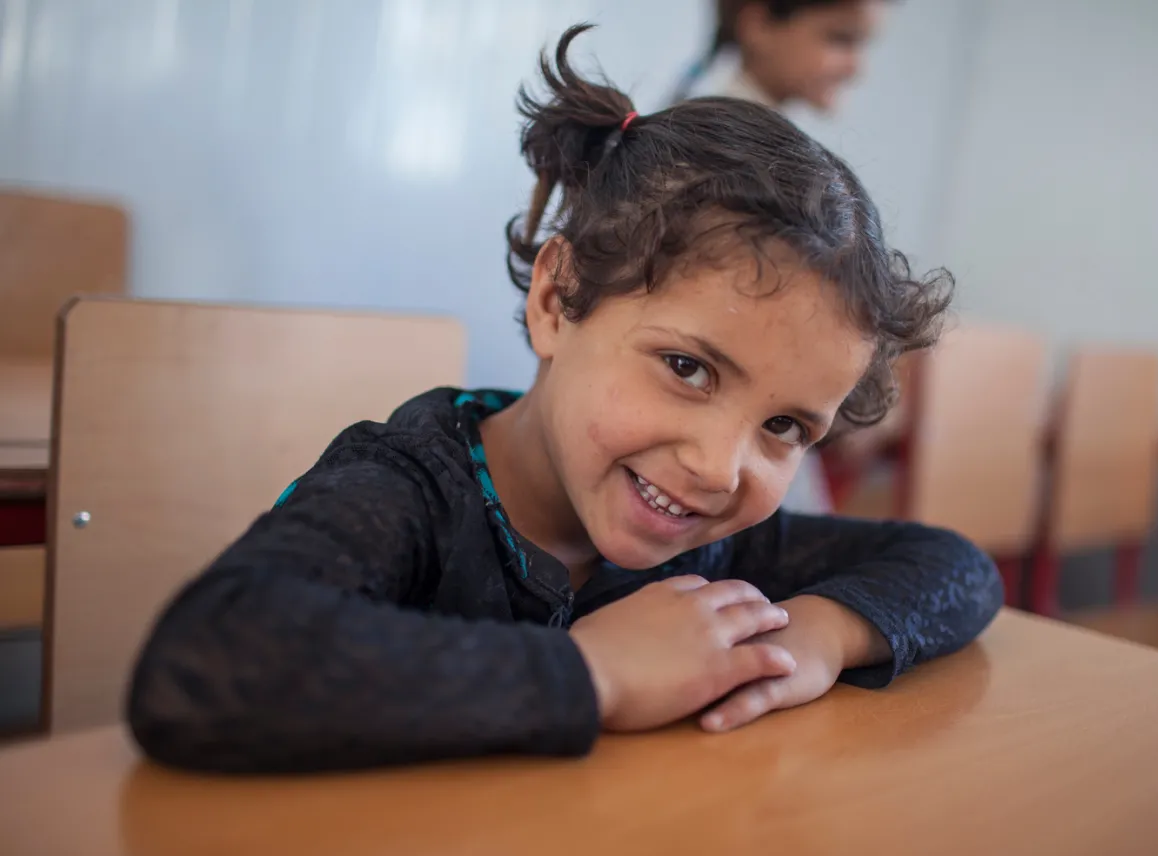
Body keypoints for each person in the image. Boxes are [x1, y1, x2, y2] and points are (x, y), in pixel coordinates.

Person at [126, 24, 1000, 774]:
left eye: (783, 426)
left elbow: (955, 565)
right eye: (688, 369)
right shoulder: (410, 488)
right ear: (556, 300)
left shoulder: (701, 538)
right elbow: (206, 657)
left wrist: (817, 633)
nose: (717, 466)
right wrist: (590, 673)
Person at [672, 0, 889, 110]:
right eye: (840, 39)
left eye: (863, 45)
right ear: (758, 25)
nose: (856, 68)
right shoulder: (720, 144)